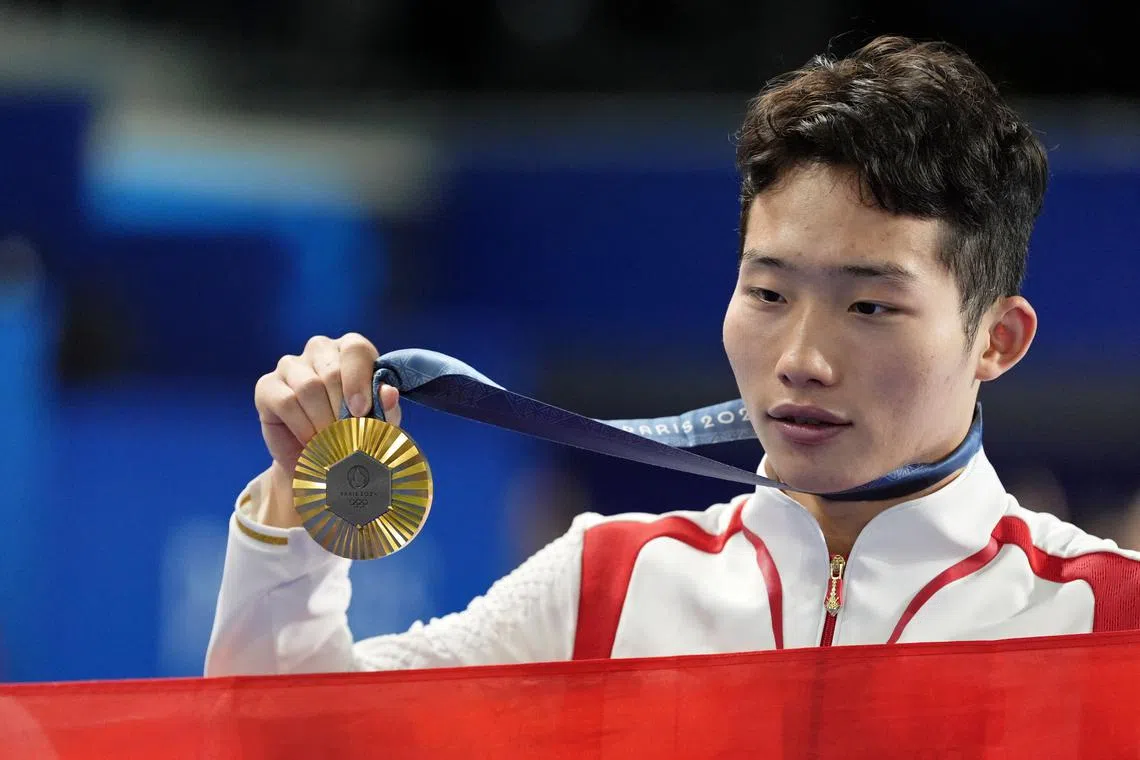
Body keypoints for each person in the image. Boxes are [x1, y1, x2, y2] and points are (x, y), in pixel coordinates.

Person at [205, 36, 1140, 676]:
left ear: (997, 340)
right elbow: (286, 737)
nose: (803, 358)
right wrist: (297, 500)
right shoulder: (605, 592)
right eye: (768, 294)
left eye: (869, 306)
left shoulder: (1109, 624)